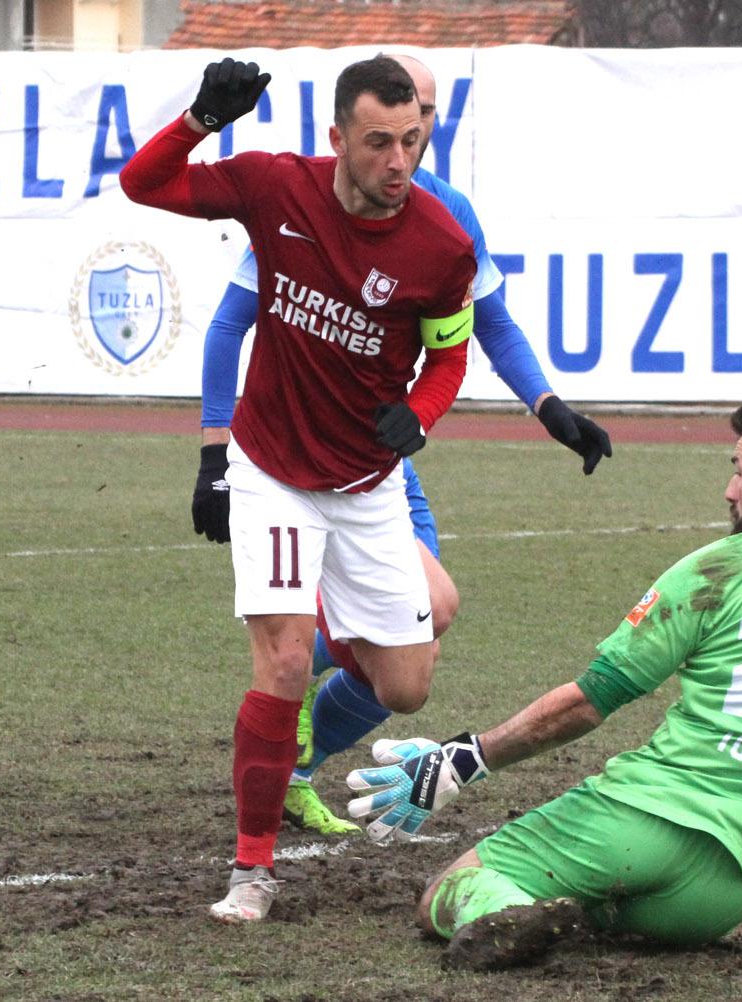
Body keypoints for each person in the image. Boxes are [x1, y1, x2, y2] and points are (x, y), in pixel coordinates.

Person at [344, 402, 742, 969]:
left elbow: (586, 703)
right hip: (730, 890)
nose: (727, 490)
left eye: (736, 470)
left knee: (451, 892)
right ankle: (563, 916)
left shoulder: (719, 568)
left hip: (642, 820)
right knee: (595, 917)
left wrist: (463, 760)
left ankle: (504, 910)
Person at [190, 54, 614, 837]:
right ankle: (294, 707)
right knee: (423, 612)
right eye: (394, 118)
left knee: (422, 638)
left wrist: (550, 407)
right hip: (294, 455)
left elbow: (488, 327)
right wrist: (214, 453)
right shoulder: (314, 200)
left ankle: (301, 752)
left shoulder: (447, 219)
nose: (404, 143)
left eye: (422, 119)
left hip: (382, 458)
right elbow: (228, 324)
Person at [120, 54, 479, 924]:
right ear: (338, 140)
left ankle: (317, 628)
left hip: (366, 485)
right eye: (380, 143)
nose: (400, 162)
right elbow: (144, 183)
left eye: (413, 141)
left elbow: (449, 354)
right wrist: (201, 119)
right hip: (273, 468)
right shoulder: (277, 188)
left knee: (406, 687)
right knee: (280, 660)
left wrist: (421, 413)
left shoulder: (442, 246)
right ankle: (252, 869)